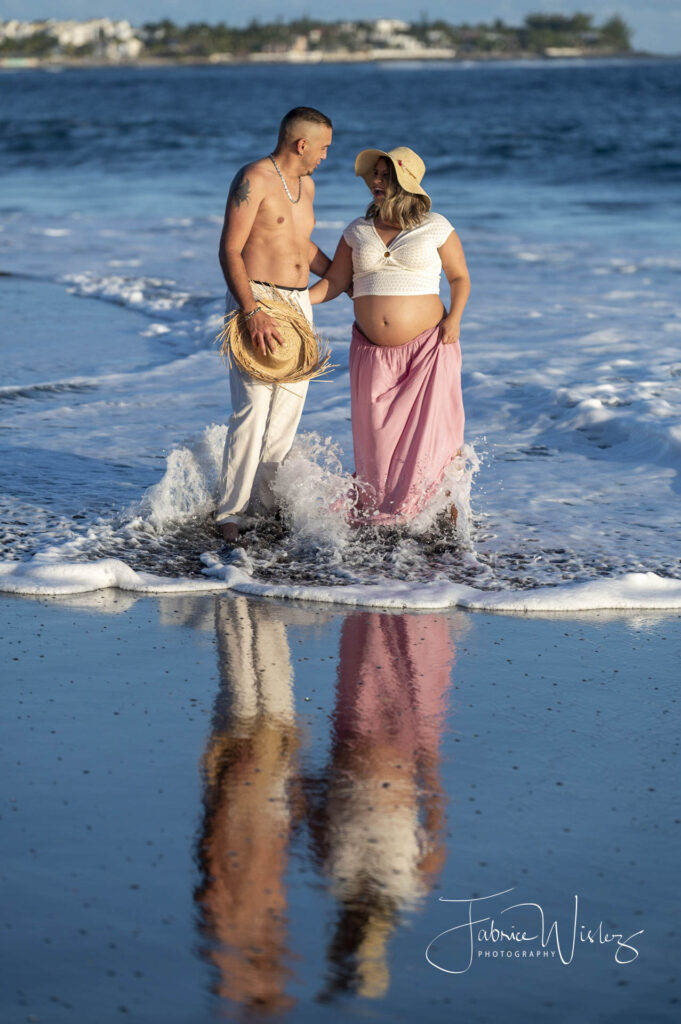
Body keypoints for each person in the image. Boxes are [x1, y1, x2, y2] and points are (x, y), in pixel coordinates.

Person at [309, 146, 470, 525]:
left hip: (429, 350)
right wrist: (298, 301)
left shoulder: (436, 227)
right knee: (377, 451)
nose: (376, 182)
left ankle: (439, 522)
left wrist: (456, 319)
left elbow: (459, 277)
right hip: (372, 356)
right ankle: (386, 518)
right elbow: (333, 283)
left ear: (406, 184)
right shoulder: (357, 231)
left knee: (433, 444)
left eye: (385, 176)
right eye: (375, 176)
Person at [215, 107, 333, 543]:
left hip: (298, 304)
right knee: (251, 410)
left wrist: (340, 272)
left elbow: (300, 242)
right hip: (258, 298)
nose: (324, 156)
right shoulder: (254, 179)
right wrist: (251, 311)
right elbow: (230, 250)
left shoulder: (307, 185)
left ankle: (267, 509)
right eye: (322, 148)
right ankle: (229, 515)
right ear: (301, 144)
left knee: (286, 414)